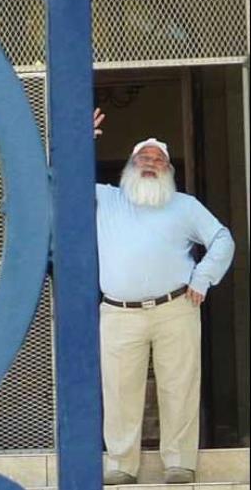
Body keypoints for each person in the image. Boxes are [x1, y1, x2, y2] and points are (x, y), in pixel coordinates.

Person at [93, 109, 235, 485]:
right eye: (144, 158)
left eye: (159, 160)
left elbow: (223, 239)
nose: (151, 164)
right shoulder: (105, 200)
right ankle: (122, 465)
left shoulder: (185, 205)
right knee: (119, 390)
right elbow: (58, 184)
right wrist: (81, 137)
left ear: (169, 169)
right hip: (119, 312)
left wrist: (203, 278)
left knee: (180, 384)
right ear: (130, 165)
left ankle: (179, 462)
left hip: (176, 308)